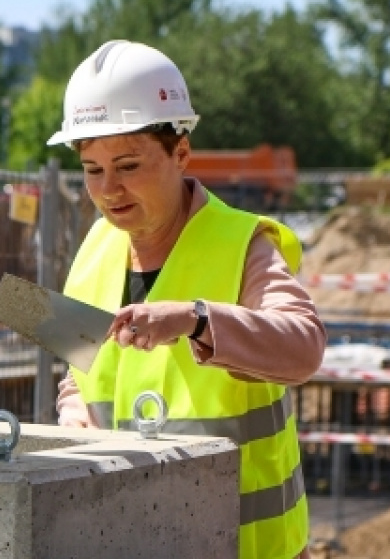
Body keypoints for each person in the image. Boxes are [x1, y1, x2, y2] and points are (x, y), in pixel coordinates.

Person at [47, 40, 326, 559]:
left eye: (128, 165)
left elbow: (304, 348)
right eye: (92, 170)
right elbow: (78, 371)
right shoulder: (94, 247)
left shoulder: (243, 245)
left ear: (181, 152)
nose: (109, 189)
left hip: (242, 545)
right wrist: (74, 413)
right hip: (127, 538)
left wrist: (198, 320)